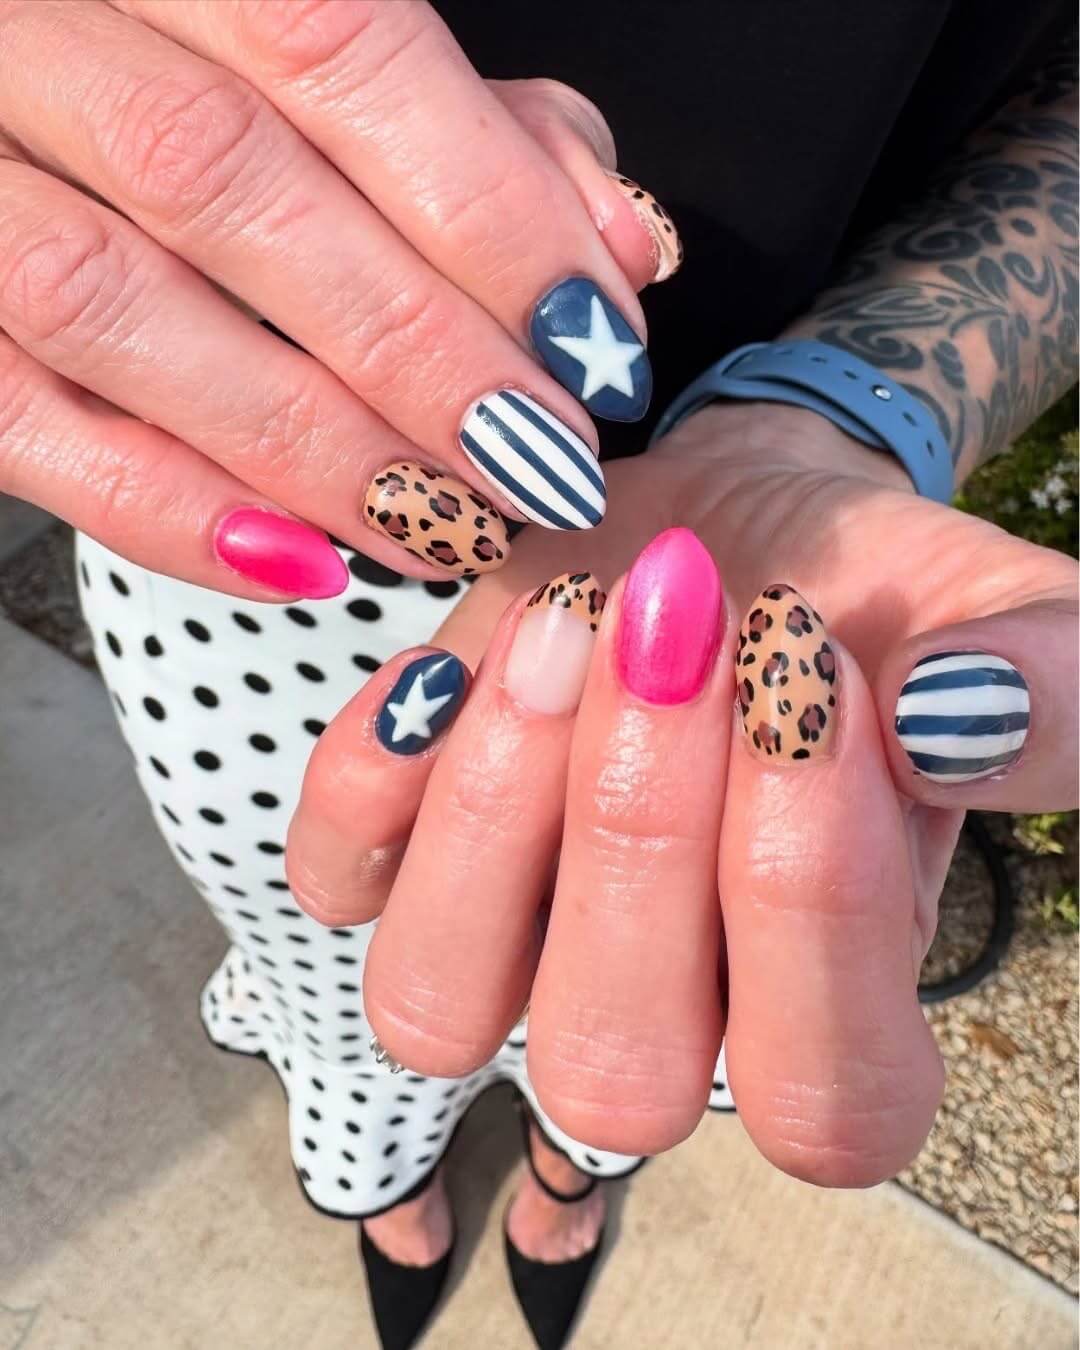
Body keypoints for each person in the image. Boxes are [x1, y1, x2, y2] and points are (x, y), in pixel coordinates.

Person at [0, 2, 1075, 1347]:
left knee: (650, 1003)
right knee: (323, 952)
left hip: (751, 562)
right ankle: (378, 1175)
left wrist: (837, 410)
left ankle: (571, 1166)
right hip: (254, 536)